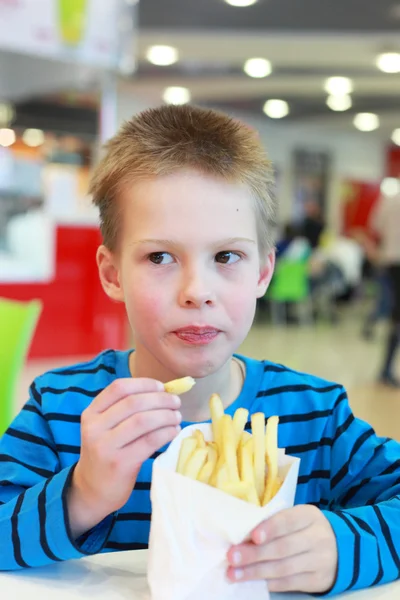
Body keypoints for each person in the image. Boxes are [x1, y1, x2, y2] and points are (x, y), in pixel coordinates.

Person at [0, 105, 400, 596]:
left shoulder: (316, 416)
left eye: (226, 256)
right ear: (112, 273)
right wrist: (81, 493)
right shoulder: (61, 410)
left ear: (262, 272)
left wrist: (344, 544)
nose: (197, 291)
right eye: (160, 257)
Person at [370, 192, 400, 387]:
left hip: (391, 262)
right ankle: (385, 370)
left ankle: (386, 368)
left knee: (395, 315)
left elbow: (376, 225)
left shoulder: (390, 199)